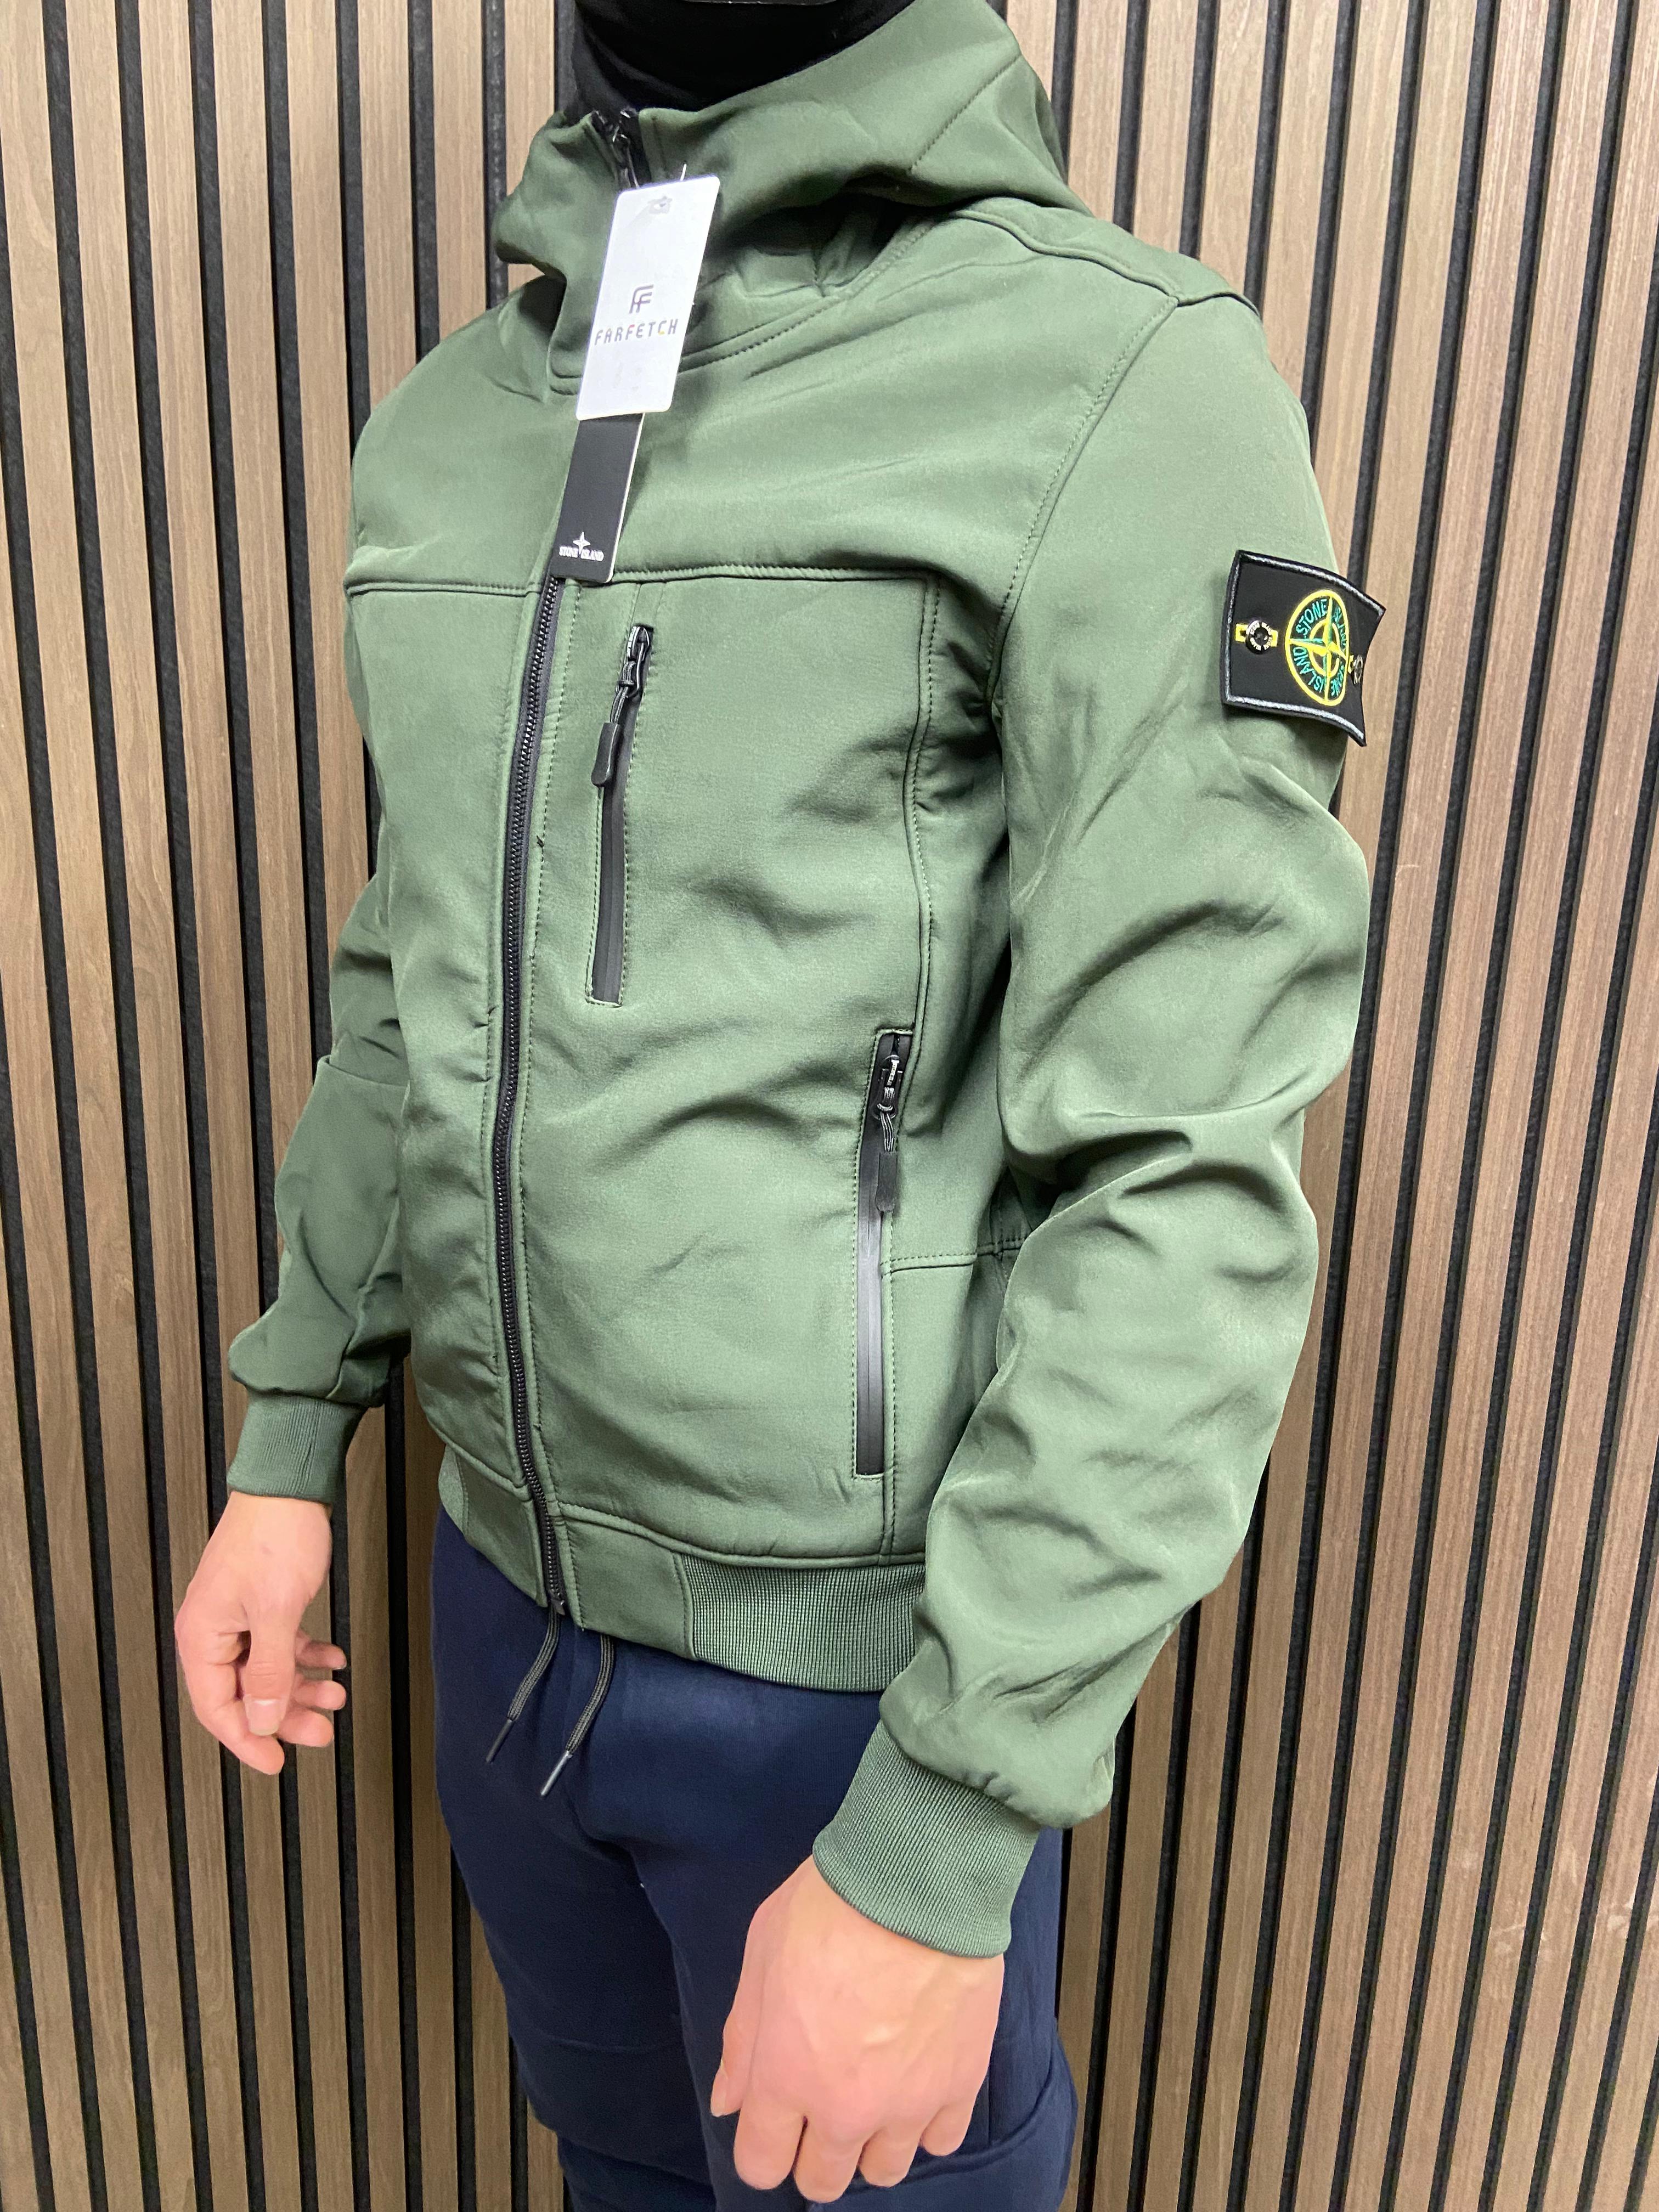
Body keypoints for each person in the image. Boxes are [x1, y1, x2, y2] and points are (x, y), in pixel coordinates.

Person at [174, 0, 1378, 2202]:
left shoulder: (1118, 385)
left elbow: (1184, 1174)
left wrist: (943, 1827)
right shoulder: (453, 431)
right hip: (498, 1616)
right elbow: (411, 984)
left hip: (844, 1699)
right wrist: (288, 1432)